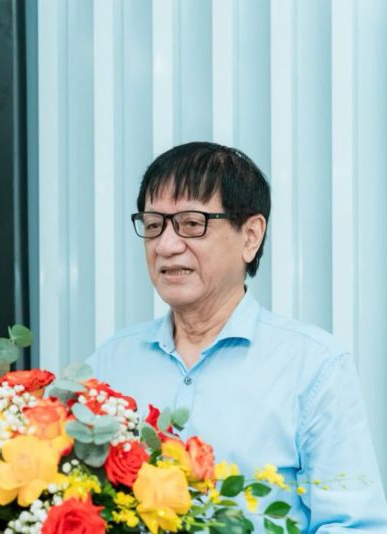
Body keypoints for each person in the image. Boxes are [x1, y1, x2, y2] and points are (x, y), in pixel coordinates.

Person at [86, 142, 387, 530]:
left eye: (191, 224)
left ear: (250, 236)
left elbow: (354, 526)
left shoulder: (314, 366)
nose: (166, 245)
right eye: (154, 224)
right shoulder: (108, 364)